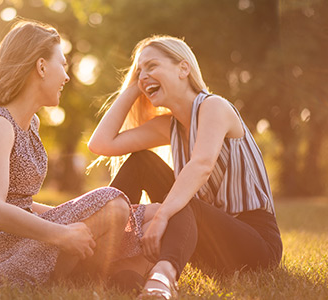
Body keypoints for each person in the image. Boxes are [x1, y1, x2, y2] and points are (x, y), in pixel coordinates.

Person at [0, 20, 151, 292]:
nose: (67, 76)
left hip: (24, 241)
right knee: (114, 204)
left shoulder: (29, 124)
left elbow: (21, 204)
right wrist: (63, 233)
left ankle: (111, 272)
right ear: (41, 66)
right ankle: (101, 272)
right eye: (62, 64)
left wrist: (78, 216)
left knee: (139, 212)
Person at [88, 35, 283, 299]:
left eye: (152, 66)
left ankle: (162, 278)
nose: (144, 75)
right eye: (139, 71)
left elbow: (201, 165)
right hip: (205, 240)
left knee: (181, 199)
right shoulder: (169, 126)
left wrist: (160, 217)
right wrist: (133, 87)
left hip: (255, 244)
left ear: (183, 68)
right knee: (141, 161)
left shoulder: (215, 106)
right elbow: (101, 144)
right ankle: (98, 247)